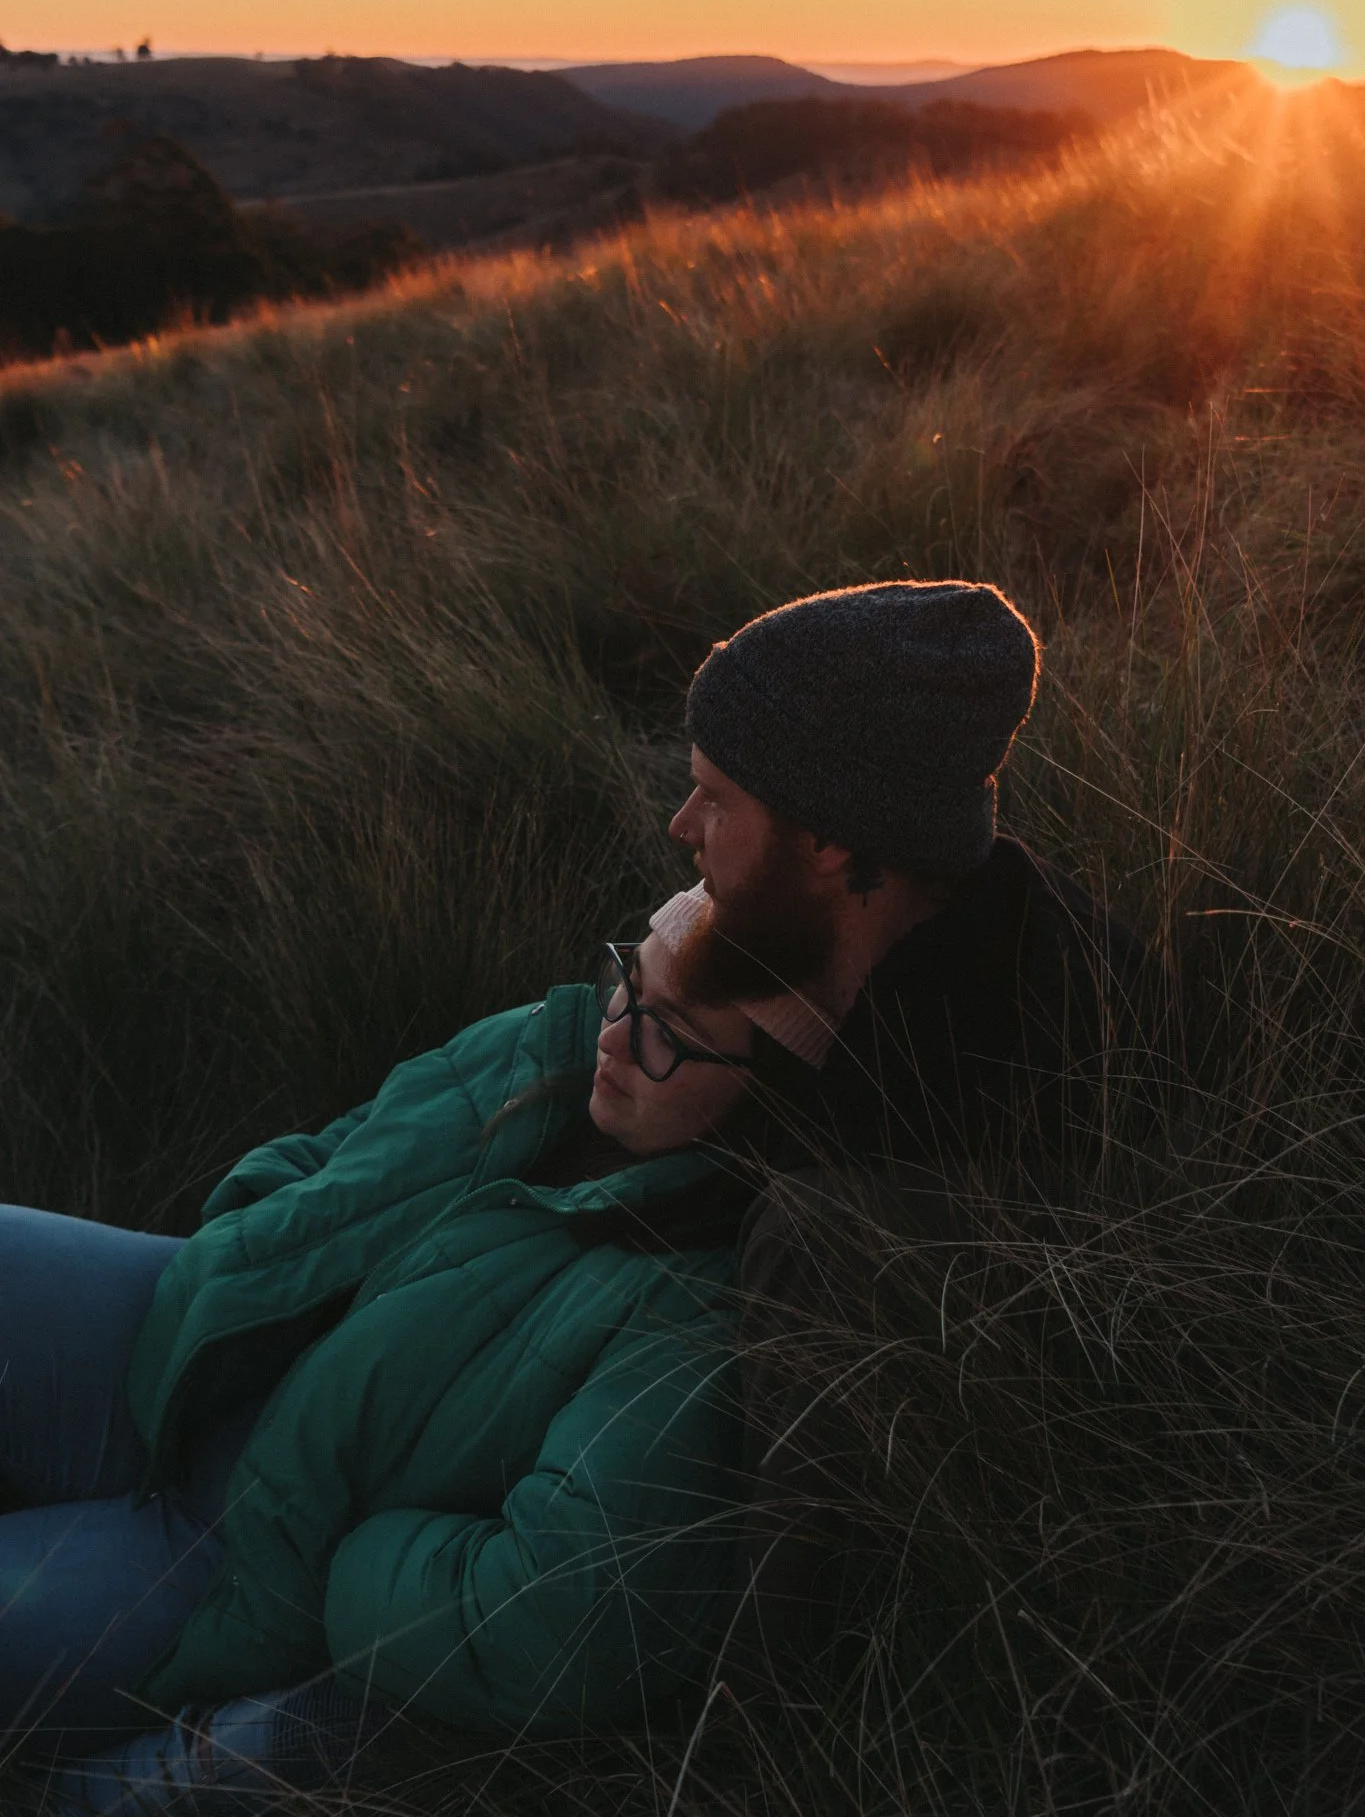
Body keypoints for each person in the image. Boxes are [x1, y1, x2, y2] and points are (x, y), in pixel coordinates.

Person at [0, 930, 763, 1814]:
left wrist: (343, 1572)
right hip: (181, 1340)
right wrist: (247, 1234)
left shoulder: (687, 1300)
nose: (615, 1034)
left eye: (669, 1033)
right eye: (626, 980)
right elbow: (344, 1141)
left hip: (238, 1557)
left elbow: (556, 1627)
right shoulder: (543, 1040)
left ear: (767, 1093)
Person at [658, 578, 1159, 1677]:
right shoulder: (987, 907)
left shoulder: (878, 1184)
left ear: (832, 839)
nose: (681, 826)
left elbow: (797, 1591)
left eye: (716, 800)